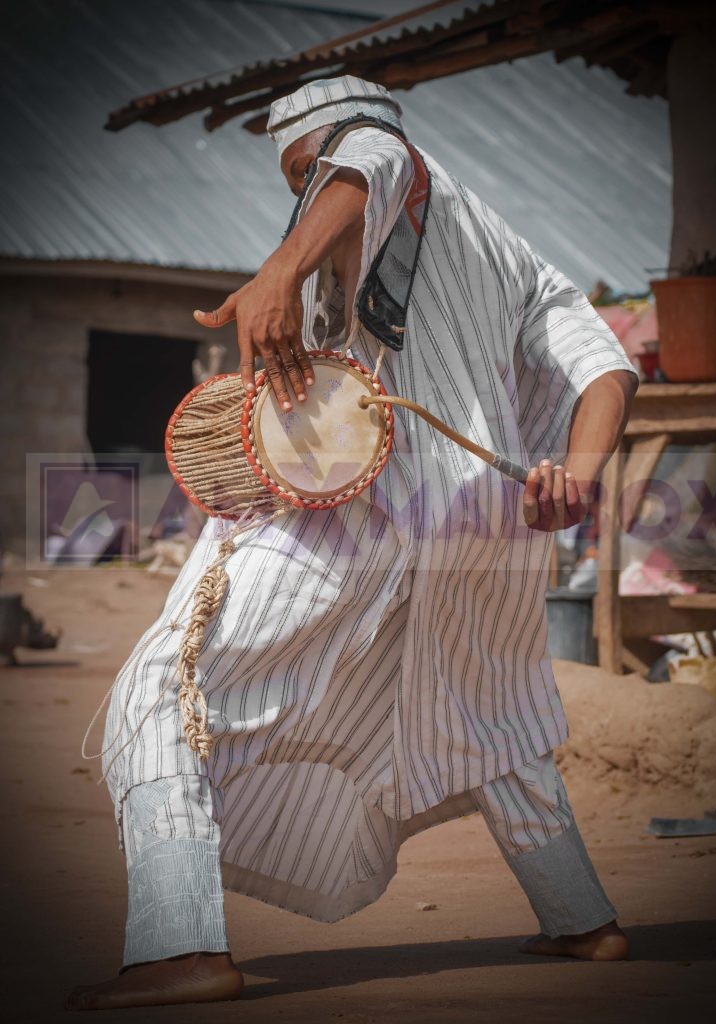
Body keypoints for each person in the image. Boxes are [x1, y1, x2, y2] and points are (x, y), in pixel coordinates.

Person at [66, 76, 638, 1011]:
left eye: (306, 169)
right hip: (483, 530)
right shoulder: (524, 266)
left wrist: (281, 270)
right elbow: (605, 365)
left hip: (374, 508)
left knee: (167, 688)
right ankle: (582, 920)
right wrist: (577, 469)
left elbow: (374, 151)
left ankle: (179, 947)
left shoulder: (386, 167)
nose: (306, 192)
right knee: (486, 712)